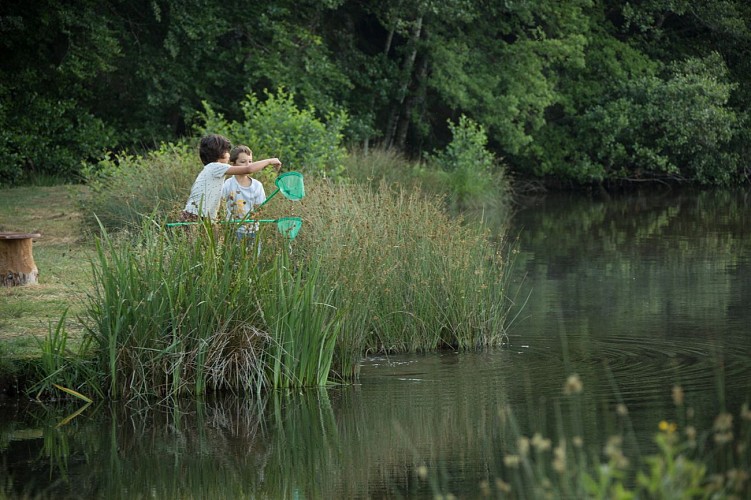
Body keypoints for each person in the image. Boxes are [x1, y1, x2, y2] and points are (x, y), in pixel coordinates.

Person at [179, 134, 280, 223]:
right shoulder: (215, 167)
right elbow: (249, 169)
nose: (229, 155)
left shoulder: (211, 169)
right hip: (195, 217)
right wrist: (270, 161)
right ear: (220, 153)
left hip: (202, 217)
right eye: (227, 151)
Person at [221, 145, 267, 244]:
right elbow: (220, 207)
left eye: (250, 161)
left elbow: (261, 208)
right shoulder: (227, 184)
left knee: (253, 259)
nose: (248, 165)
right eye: (243, 162)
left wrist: (253, 217)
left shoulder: (257, 185)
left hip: (253, 231)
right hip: (232, 231)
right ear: (233, 164)